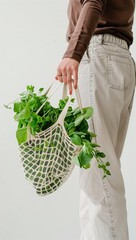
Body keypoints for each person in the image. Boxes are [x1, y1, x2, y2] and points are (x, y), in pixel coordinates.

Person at [55, 0, 136, 239]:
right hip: (117, 57)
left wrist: (73, 52)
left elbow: (93, 1)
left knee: (99, 180)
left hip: (98, 54)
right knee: (96, 176)